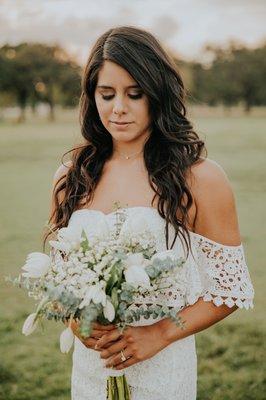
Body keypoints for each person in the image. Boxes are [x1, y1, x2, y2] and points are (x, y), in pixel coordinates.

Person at [47, 26, 255, 400]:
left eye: (135, 94)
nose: (118, 108)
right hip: (92, 370)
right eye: (106, 94)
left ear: (157, 95)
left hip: (163, 370)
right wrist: (77, 321)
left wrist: (159, 333)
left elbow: (230, 289)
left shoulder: (199, 178)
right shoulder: (71, 175)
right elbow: (60, 281)